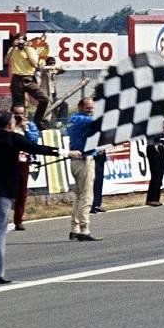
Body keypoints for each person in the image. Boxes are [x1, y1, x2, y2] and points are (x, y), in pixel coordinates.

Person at [0, 110, 72, 286]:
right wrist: (65, 153)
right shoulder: (13, 139)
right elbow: (37, 148)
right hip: (1, 190)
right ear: (10, 124)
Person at [67, 98, 103, 241]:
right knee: (87, 197)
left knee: (79, 196)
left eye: (92, 108)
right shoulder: (80, 120)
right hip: (83, 161)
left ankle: (74, 228)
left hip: (77, 160)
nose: (91, 110)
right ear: (80, 107)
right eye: (88, 108)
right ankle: (84, 229)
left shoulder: (74, 119)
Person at [5, 33, 49, 128]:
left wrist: (25, 48)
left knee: (44, 99)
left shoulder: (31, 50)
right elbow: (6, 61)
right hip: (17, 78)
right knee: (18, 106)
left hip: (29, 78)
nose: (19, 43)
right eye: (17, 40)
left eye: (21, 40)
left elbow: (35, 64)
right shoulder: (12, 50)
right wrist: (13, 47)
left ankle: (37, 121)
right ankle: (15, 126)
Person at [9, 103, 40, 231]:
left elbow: (33, 141)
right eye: (16, 113)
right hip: (8, 161)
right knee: (4, 191)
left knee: (21, 191)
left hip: (23, 160)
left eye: (21, 113)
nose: (18, 116)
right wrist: (11, 126)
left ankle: (18, 220)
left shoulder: (29, 125)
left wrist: (26, 129)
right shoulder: (7, 124)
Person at [145, 121, 164, 206]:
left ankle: (156, 198)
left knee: (161, 172)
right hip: (152, 147)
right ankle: (151, 199)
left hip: (160, 146)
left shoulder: (162, 120)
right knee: (156, 173)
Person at [90, 150, 107, 214]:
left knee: (99, 182)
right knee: (94, 182)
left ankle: (97, 204)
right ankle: (91, 205)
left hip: (101, 157)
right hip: (93, 158)